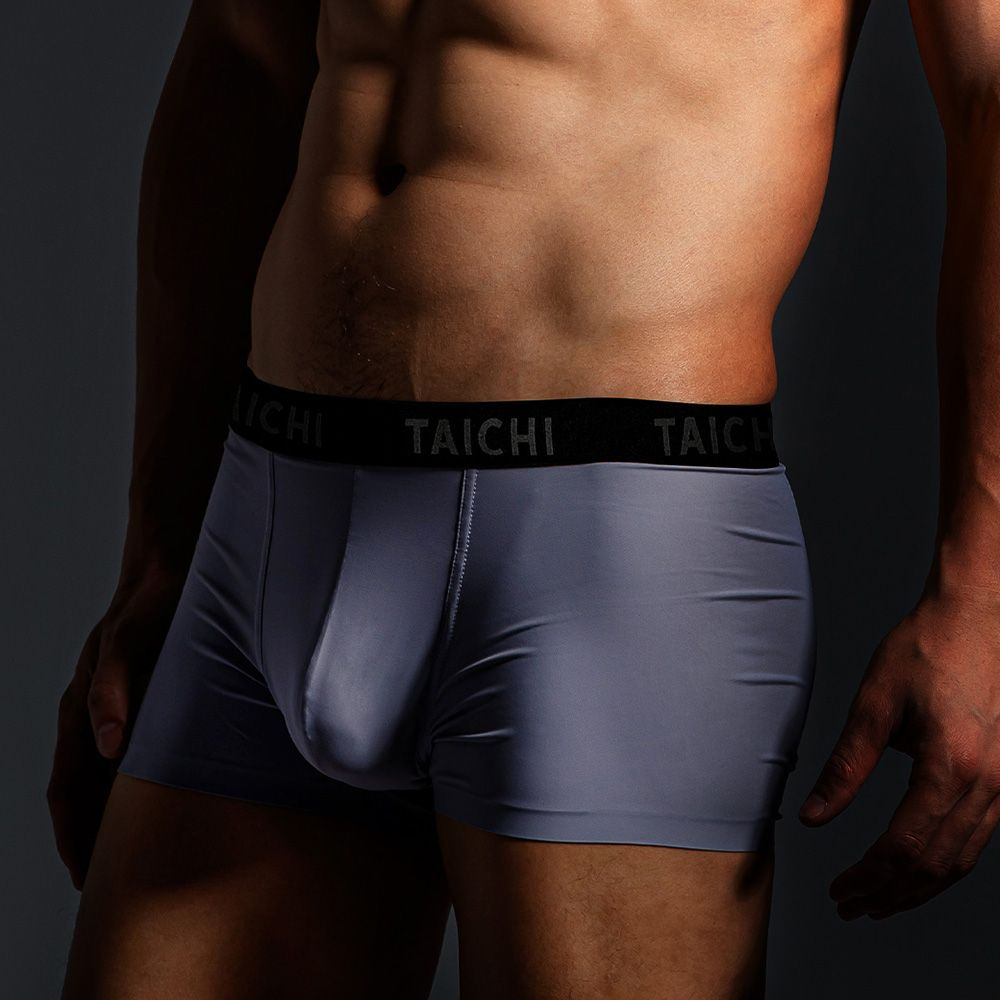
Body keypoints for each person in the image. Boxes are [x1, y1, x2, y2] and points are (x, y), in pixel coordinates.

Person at [48, 1, 1000, 997]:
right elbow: (239, 62)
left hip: (605, 552)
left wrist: (981, 592)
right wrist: (159, 544)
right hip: (268, 524)